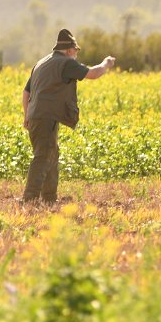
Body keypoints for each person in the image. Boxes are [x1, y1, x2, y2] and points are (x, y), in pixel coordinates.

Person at [21, 29, 115, 204]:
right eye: (76, 52)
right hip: (46, 117)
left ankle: (49, 199)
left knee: (51, 154)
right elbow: (93, 74)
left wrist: (27, 115)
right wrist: (106, 63)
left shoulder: (41, 63)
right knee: (42, 156)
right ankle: (29, 200)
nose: (76, 56)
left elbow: (26, 92)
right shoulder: (65, 63)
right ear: (70, 50)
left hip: (36, 116)